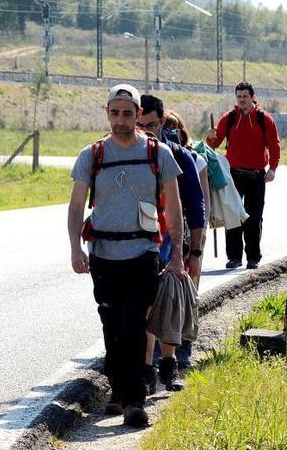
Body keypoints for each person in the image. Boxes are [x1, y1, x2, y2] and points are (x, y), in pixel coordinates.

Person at [68, 84, 184, 427]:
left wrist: (177, 253)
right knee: (112, 326)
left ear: (138, 115)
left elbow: (174, 206)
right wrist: (75, 247)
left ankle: (134, 402)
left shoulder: (158, 153)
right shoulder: (92, 155)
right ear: (107, 113)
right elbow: (76, 206)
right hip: (103, 254)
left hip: (143, 251)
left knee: (135, 325)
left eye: (128, 113)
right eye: (115, 113)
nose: (121, 120)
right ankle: (118, 392)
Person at [137, 96, 206, 390]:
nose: (144, 131)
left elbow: (196, 206)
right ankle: (147, 371)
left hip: (173, 244)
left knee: (168, 306)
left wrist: (195, 253)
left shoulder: (179, 156)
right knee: (144, 307)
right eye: (139, 125)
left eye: (150, 125)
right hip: (139, 244)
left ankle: (170, 364)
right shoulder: (126, 152)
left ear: (163, 121)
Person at [206, 82, 281, 270]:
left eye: (245, 96)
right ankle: (234, 258)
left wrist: (272, 168)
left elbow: (274, 145)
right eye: (239, 96)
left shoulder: (264, 119)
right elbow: (214, 142)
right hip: (232, 175)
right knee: (232, 216)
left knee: (254, 218)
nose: (241, 100)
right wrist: (211, 136)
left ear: (252, 97)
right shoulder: (229, 118)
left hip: (257, 176)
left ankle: (253, 257)